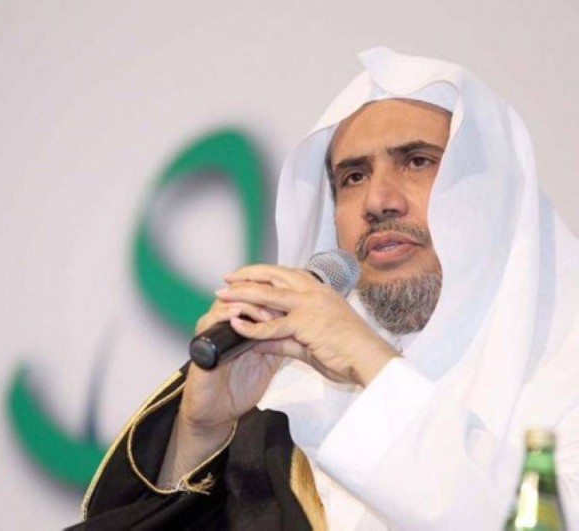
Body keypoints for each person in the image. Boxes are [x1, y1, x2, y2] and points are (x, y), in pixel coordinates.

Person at [71, 47, 579, 529]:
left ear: (491, 188)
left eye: (417, 161)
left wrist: (371, 364)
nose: (377, 201)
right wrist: (202, 436)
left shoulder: (565, 367)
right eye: (353, 177)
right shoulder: (290, 395)